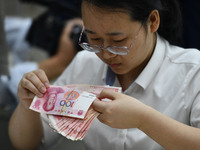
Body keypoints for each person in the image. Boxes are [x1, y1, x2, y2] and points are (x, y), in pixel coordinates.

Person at [8, 0, 200, 150]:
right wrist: (28, 105)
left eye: (118, 40)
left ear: (152, 21)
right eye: (94, 39)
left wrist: (144, 120)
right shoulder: (85, 63)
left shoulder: (192, 71)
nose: (106, 53)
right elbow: (28, 144)